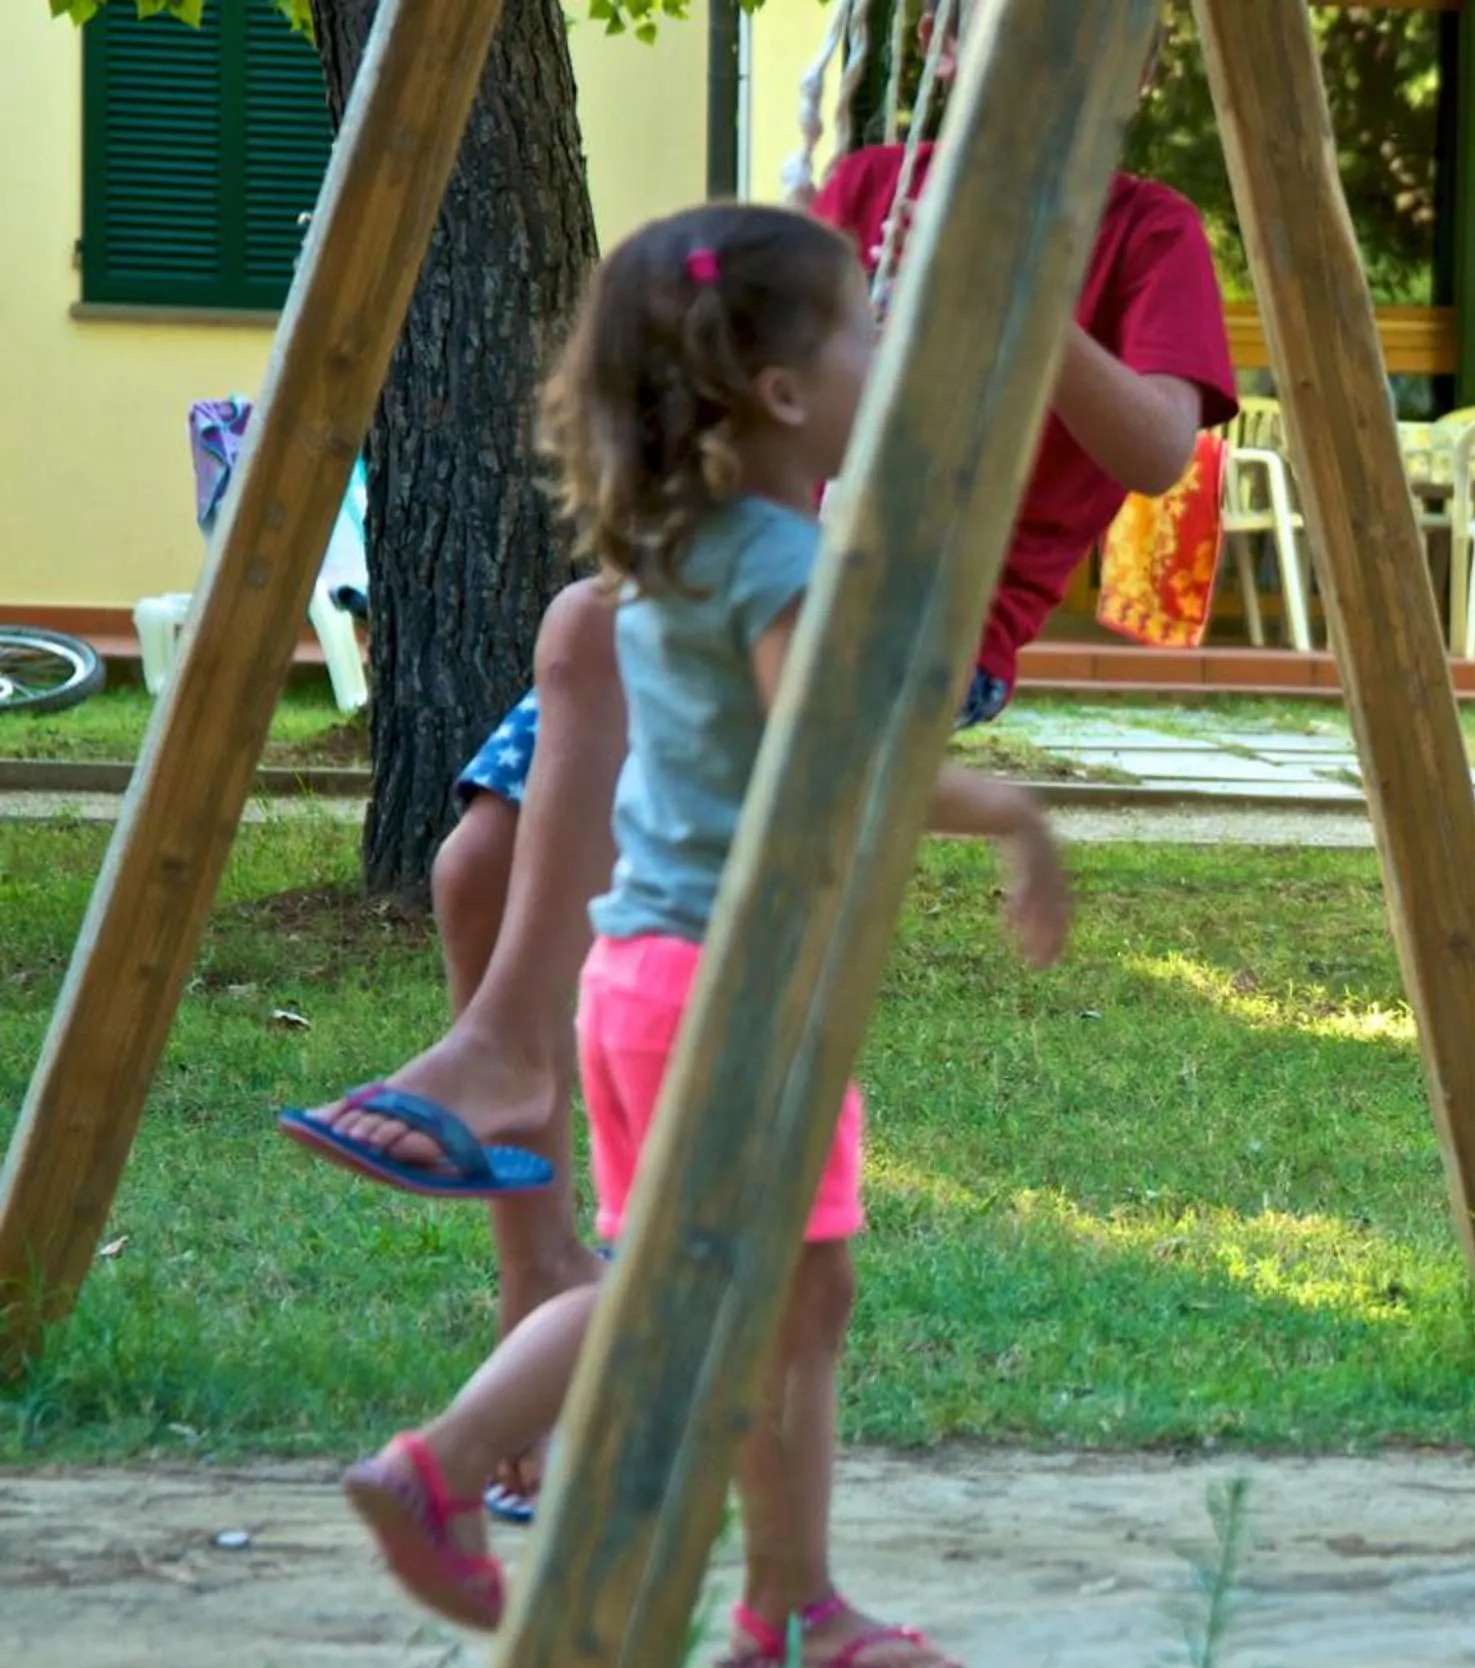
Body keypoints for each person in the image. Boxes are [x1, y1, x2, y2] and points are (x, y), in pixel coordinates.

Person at [282, 86, 1237, 1520]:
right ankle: (531, 1235)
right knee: (481, 855)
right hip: (750, 573)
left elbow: (1160, 453)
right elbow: (731, 358)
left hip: (900, 616)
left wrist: (1020, 293)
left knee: (738, 1256)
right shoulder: (870, 183)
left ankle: (550, 1314)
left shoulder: (1143, 233)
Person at [341, 203, 1072, 1668]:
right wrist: (1012, 814)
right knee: (693, 1285)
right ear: (789, 394)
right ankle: (451, 1460)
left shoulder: (689, 538)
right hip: (731, 993)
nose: (886, 351)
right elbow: (833, 753)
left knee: (794, 1296)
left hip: (650, 980)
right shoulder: (775, 566)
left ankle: (790, 1607)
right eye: (864, 330)